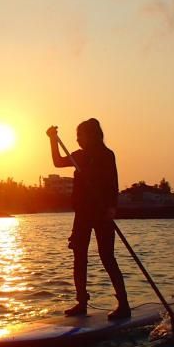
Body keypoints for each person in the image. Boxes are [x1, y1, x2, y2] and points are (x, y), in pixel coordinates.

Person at [46, 119, 131, 320]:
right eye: (76, 136)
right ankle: (81, 302)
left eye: (80, 135)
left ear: (92, 135)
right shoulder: (79, 156)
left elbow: (113, 182)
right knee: (79, 255)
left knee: (107, 256)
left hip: (102, 212)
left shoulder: (106, 155)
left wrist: (112, 207)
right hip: (82, 213)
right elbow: (58, 162)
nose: (77, 139)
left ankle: (124, 304)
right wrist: (52, 140)